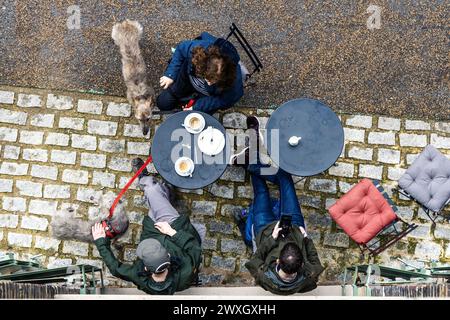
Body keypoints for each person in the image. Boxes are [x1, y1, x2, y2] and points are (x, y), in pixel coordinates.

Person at [233, 116, 325, 295]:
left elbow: (255, 259)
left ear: (277, 263)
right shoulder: (309, 279)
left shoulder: (264, 277)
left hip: (265, 229)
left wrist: (273, 238)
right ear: (300, 267)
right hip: (296, 229)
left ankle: (253, 158)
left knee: (261, 191)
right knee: (285, 178)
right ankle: (252, 164)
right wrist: (306, 239)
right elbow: (315, 262)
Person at [92, 158, 204, 295]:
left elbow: (116, 269)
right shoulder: (185, 274)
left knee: (155, 201)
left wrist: (101, 242)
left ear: (146, 268)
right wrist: (172, 232)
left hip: (152, 231)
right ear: (168, 255)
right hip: (175, 229)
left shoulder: (140, 277)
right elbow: (194, 247)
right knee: (152, 190)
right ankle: (151, 183)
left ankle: (163, 191)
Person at [157, 31, 244, 114]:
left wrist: (197, 107)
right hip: (185, 81)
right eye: (206, 76)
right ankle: (183, 99)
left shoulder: (234, 80)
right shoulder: (200, 49)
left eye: (215, 79)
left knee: (197, 117)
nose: (209, 83)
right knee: (163, 103)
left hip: (206, 96)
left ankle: (190, 103)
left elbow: (225, 100)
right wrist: (170, 75)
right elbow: (180, 49)